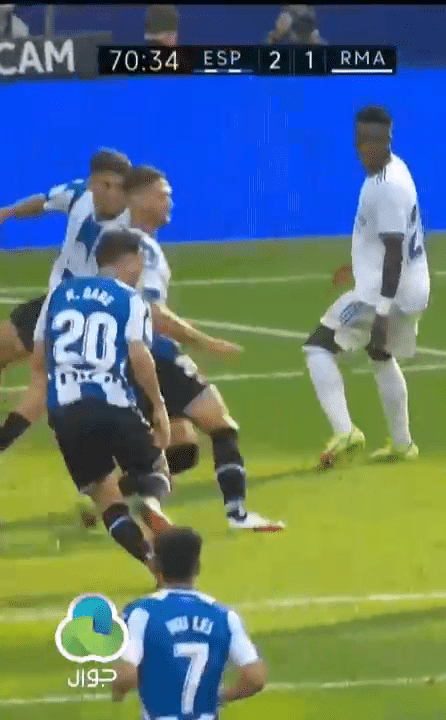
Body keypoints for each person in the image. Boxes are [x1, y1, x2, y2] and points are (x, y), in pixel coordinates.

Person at [119, 166, 285, 532]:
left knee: (180, 447)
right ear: (137, 198)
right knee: (222, 425)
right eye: (162, 195)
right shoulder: (142, 248)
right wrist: (205, 342)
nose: (169, 203)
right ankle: (238, 514)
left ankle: (122, 497)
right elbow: (152, 312)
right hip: (152, 351)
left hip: (121, 357)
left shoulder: (117, 242)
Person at [18, 229, 171, 578]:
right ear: (129, 260)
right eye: (140, 262)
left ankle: (151, 563)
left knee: (105, 497)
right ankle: (150, 502)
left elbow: (39, 360)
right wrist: (158, 404)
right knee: (155, 468)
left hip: (67, 410)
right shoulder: (130, 298)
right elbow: (138, 354)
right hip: (114, 401)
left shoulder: (58, 294)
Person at [303, 105, 428, 469]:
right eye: (361, 139)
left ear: (388, 139)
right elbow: (388, 242)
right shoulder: (395, 170)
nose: (366, 147)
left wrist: (382, 313)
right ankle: (403, 444)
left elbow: (394, 252)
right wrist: (358, 264)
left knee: (318, 347)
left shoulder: (386, 187)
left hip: (384, 294)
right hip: (412, 290)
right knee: (380, 355)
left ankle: (345, 432)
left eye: (374, 139)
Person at [0, 149, 132, 405]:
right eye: (105, 185)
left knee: (65, 391)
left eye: (120, 186)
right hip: (58, 300)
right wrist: (9, 212)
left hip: (94, 313)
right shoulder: (79, 193)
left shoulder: (130, 226)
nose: (113, 193)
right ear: (92, 183)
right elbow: (44, 201)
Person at [113, 527, 268, 716]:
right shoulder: (225, 616)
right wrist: (219, 697)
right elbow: (255, 678)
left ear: (155, 566)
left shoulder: (141, 613)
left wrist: (118, 691)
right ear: (197, 567)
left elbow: (126, 676)